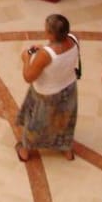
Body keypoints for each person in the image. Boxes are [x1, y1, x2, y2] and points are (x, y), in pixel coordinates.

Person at [16, 14, 80, 162]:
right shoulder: (75, 39)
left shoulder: (45, 55)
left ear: (51, 34)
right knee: (65, 120)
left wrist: (26, 58)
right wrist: (45, 48)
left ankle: (25, 150)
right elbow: (61, 52)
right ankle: (66, 149)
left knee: (37, 123)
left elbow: (28, 77)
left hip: (47, 94)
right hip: (69, 88)